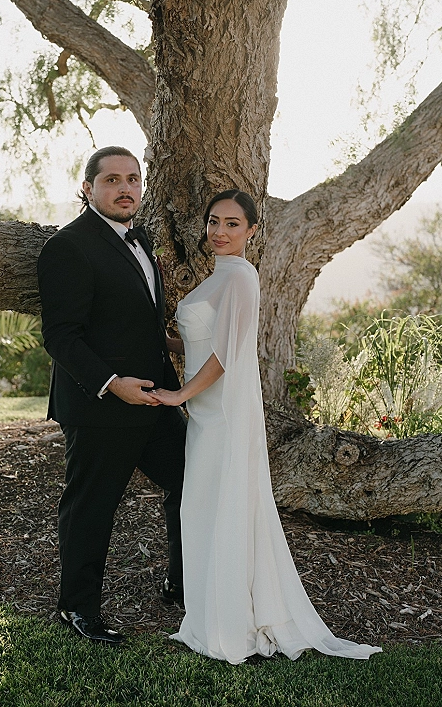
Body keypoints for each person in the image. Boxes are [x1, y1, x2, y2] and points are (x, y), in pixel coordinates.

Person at [152, 190, 382, 664]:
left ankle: (233, 620)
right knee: (204, 507)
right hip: (208, 414)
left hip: (224, 416)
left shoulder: (241, 277)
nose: (219, 232)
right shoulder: (219, 275)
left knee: (223, 506)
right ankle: (211, 611)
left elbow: (225, 355)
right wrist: (163, 340)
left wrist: (179, 395)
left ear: (252, 231)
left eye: (232, 224)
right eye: (214, 221)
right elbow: (202, 342)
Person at [37, 146, 186, 645]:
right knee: (91, 507)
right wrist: (112, 385)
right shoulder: (69, 246)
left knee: (192, 481)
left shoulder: (139, 239)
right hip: (101, 406)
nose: (125, 189)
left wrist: (170, 345)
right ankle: (76, 610)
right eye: (112, 180)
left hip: (157, 400)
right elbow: (61, 336)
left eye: (133, 180)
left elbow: (132, 320)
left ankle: (179, 582)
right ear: (88, 188)